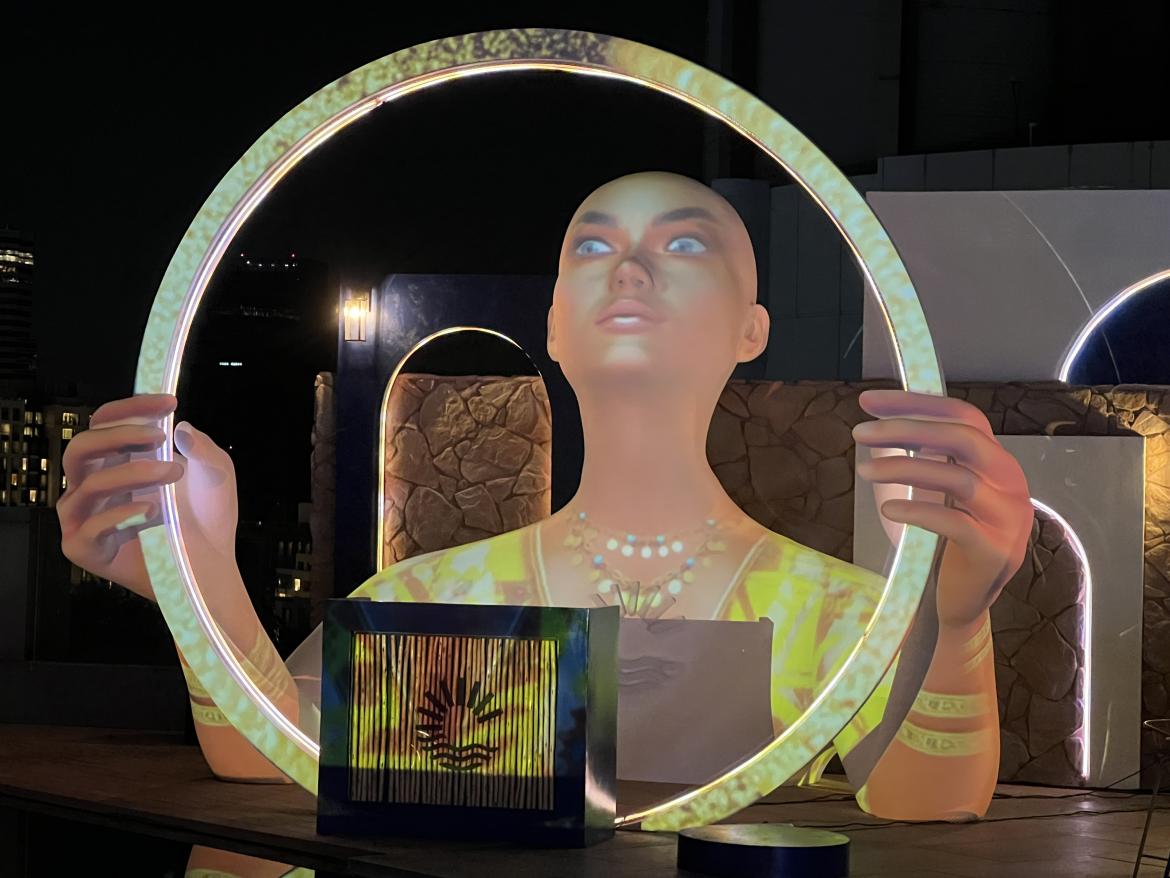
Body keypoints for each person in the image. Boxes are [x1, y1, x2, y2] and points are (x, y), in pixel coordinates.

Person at [59, 172, 1033, 819]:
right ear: (557, 323)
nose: (633, 269)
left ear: (752, 329)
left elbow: (925, 807)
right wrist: (194, 582)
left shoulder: (843, 617)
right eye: (593, 249)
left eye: (685, 246)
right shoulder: (427, 598)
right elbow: (276, 757)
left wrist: (956, 627)